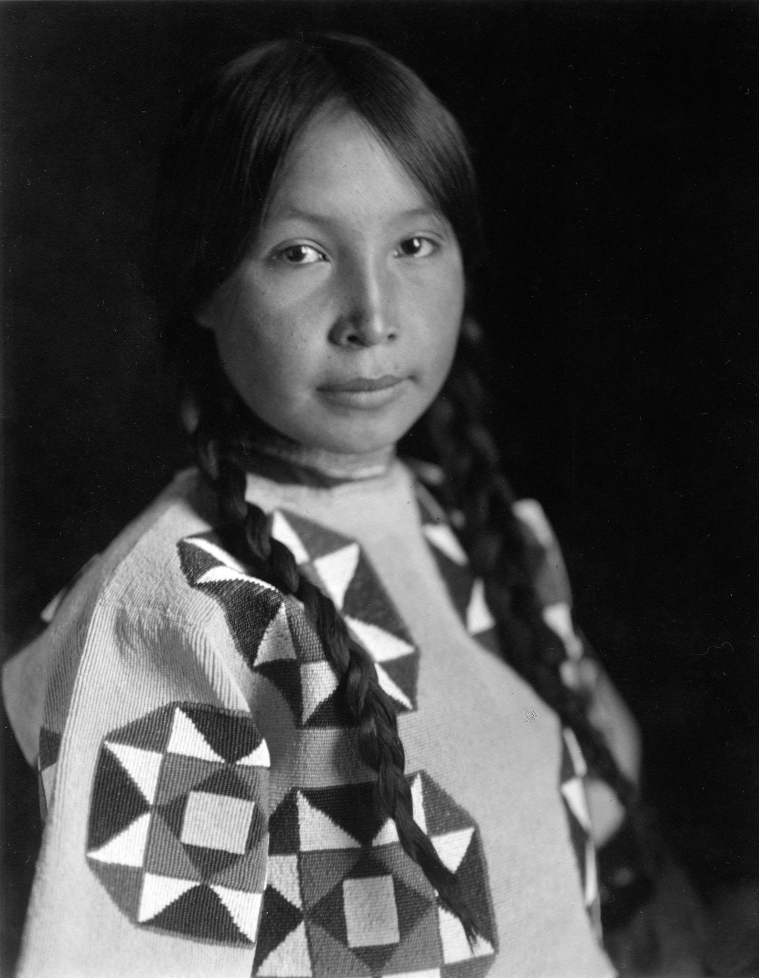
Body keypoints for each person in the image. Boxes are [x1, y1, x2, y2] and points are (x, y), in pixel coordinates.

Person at [3, 33, 645, 977]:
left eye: (415, 244)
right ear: (204, 289)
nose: (373, 313)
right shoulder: (176, 603)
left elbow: (587, 801)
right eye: (300, 253)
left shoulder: (492, 538)